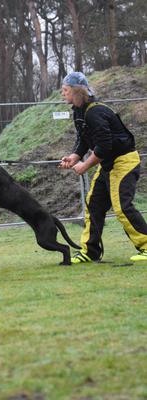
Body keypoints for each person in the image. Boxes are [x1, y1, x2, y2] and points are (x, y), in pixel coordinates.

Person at [60, 71, 147, 264]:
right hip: (108, 163)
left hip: (123, 161)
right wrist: (74, 157)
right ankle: (90, 252)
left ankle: (146, 246)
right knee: (94, 205)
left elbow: (105, 145)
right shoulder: (79, 111)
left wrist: (85, 166)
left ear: (76, 91)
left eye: (65, 90)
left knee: (122, 207)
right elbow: (84, 139)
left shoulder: (95, 112)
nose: (62, 94)